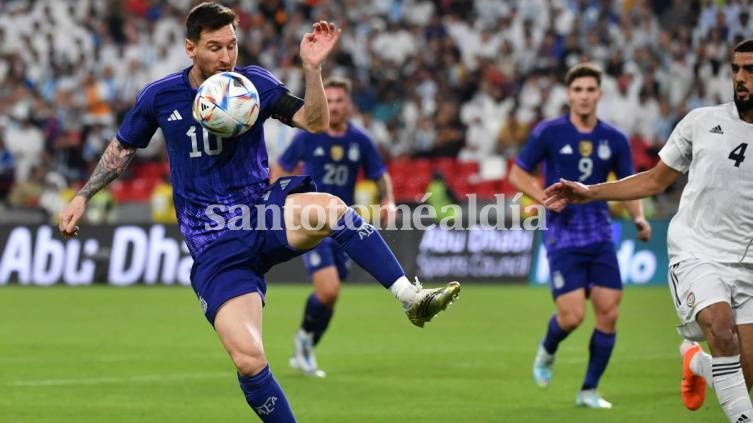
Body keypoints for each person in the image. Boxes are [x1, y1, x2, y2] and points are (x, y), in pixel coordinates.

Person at [57, 3, 461, 422]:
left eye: (232, 45)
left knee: (332, 209)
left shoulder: (252, 84)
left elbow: (314, 121)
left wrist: (312, 69)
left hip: (262, 215)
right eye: (214, 47)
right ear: (190, 48)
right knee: (249, 359)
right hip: (213, 243)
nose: (226, 57)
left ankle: (409, 297)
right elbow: (122, 150)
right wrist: (84, 195)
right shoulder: (161, 96)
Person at [543, 40, 753, 423]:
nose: (740, 78)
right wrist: (590, 193)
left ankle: (695, 362)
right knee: (721, 332)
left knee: (743, 374)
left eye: (750, 70)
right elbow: (655, 180)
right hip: (698, 252)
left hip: (749, 265)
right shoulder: (702, 122)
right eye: (736, 69)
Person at [508, 62, 651, 409]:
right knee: (573, 316)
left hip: (600, 235)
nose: (584, 96)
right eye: (578, 90)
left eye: (590, 90)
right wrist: (542, 197)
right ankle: (548, 348)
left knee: (609, 314)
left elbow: (627, 186)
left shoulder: (615, 139)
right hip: (562, 236)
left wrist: (640, 219)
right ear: (569, 95)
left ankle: (588, 390)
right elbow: (517, 174)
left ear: (599, 94)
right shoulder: (549, 132)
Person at [276, 76, 397, 378]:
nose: (334, 106)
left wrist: (388, 201)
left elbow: (380, 174)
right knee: (328, 289)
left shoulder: (360, 140)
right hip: (313, 225)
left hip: (345, 226)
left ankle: (306, 341)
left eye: (340, 100)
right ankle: (304, 344)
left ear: (350, 104)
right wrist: (279, 200)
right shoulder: (308, 135)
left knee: (331, 295)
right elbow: (281, 166)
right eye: (328, 100)